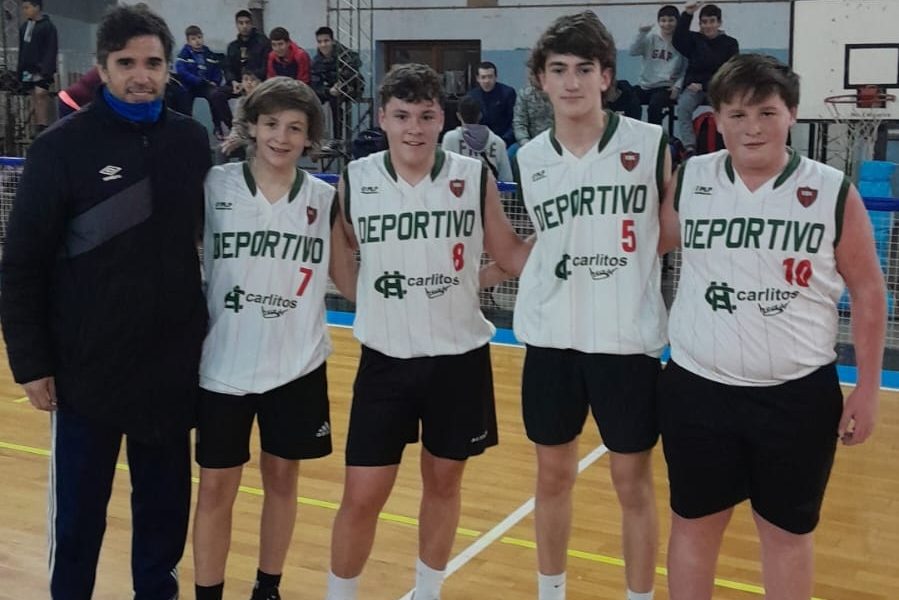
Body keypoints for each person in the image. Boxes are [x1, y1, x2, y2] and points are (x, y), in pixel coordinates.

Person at [0, 5, 211, 599]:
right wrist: (32, 362)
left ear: (168, 68)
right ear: (103, 67)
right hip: (84, 372)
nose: (141, 75)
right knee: (78, 522)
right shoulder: (60, 148)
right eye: (127, 63)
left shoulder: (191, 142)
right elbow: (21, 264)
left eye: (153, 63)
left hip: (169, 371)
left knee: (164, 518)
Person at [657, 53, 885, 600]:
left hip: (797, 396)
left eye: (766, 112)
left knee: (786, 535)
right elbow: (644, 246)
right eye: (737, 114)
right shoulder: (692, 179)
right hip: (699, 390)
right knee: (694, 527)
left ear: (792, 115)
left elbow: (869, 290)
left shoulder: (830, 190)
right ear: (717, 119)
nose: (752, 128)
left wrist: (868, 388)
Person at [324, 63, 530, 600]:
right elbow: (343, 256)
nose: (414, 128)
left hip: (458, 359)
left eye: (425, 115)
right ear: (382, 118)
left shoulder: (473, 176)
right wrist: (370, 297)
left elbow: (509, 256)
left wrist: (573, 232)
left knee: (443, 483)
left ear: (443, 119)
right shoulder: (357, 178)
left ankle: (428, 591)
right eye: (401, 116)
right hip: (385, 358)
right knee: (362, 494)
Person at [512, 11, 670, 600]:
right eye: (559, 70)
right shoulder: (529, 157)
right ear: (541, 80)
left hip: (625, 339)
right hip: (550, 338)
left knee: (632, 482)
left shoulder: (650, 145)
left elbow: (670, 231)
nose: (572, 81)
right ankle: (550, 592)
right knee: (552, 476)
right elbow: (542, 239)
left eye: (585, 69)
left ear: (606, 76)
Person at [192, 76, 357, 600]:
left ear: (310, 138)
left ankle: (268, 588)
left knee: (283, 480)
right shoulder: (214, 186)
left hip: (296, 364)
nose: (281, 137)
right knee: (215, 486)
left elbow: (350, 281)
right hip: (222, 364)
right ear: (251, 127)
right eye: (271, 124)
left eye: (294, 128)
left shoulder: (324, 198)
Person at [672, 1, 738, 156]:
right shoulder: (694, 39)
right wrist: (688, 13)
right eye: (704, 22)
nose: (708, 25)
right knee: (683, 107)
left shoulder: (730, 43)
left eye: (712, 21)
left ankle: (727, 145)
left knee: (729, 110)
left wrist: (705, 85)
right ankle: (689, 147)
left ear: (719, 23)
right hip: (693, 88)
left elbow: (730, 72)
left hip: (719, 88)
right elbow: (678, 39)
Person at [211, 9, 271, 137]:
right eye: (241, 23)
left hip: (258, 84)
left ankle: (259, 131)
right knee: (216, 95)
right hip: (238, 84)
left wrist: (250, 81)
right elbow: (228, 68)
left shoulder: (263, 43)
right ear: (236, 25)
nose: (244, 26)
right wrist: (233, 81)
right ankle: (235, 129)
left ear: (252, 24)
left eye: (247, 22)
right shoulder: (233, 46)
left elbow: (266, 67)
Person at [629, 4, 686, 126]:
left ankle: (655, 136)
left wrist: (677, 86)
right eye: (663, 20)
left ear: (677, 22)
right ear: (659, 22)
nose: (667, 24)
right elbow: (632, 51)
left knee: (654, 106)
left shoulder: (682, 42)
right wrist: (642, 33)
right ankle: (633, 133)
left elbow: (686, 68)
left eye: (671, 20)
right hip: (645, 86)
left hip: (665, 87)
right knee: (628, 99)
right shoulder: (651, 38)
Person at [442, 94, 513, 182]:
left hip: (459, 190)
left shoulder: (450, 139)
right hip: (490, 189)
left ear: (458, 116)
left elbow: (443, 175)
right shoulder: (498, 142)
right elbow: (507, 180)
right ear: (480, 115)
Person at [311, 25, 363, 140]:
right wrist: (328, 90)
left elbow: (355, 66)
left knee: (335, 101)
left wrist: (341, 83)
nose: (323, 45)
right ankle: (316, 136)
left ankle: (337, 138)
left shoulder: (345, 54)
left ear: (333, 41)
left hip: (350, 87)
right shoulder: (316, 61)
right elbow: (315, 83)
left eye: (326, 41)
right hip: (330, 89)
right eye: (320, 42)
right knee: (311, 98)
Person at [17, 0, 58, 134]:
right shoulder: (25, 27)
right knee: (33, 96)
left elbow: (51, 49)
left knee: (41, 94)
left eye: (27, 7)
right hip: (27, 68)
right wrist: (20, 69)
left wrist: (47, 69)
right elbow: (23, 49)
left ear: (37, 7)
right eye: (24, 8)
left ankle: (43, 124)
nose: (25, 11)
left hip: (41, 68)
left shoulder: (48, 27)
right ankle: (38, 125)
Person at [172, 25, 225, 124]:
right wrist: (196, 80)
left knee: (216, 95)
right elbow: (181, 71)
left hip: (205, 85)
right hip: (189, 86)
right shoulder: (184, 54)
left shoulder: (209, 53)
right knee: (183, 99)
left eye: (199, 37)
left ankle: (218, 126)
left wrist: (215, 81)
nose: (197, 41)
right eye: (193, 39)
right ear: (188, 41)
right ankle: (187, 125)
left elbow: (217, 70)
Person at [467, 61, 517, 147]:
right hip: (479, 142)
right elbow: (470, 124)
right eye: (483, 77)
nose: (487, 81)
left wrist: (504, 141)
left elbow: (514, 121)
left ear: (496, 77)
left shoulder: (508, 93)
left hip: (504, 140)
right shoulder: (472, 96)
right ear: (477, 79)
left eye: (490, 77)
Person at [220, 67, 263, 159]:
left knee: (250, 149)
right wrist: (232, 138)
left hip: (259, 139)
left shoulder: (266, 102)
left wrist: (243, 139)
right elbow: (237, 124)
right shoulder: (241, 102)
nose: (249, 83)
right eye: (246, 79)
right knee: (222, 149)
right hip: (243, 138)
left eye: (253, 80)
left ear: (261, 83)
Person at [513, 81, 553, 148]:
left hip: (557, 141)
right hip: (531, 142)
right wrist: (526, 144)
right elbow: (519, 123)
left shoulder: (560, 93)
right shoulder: (524, 93)